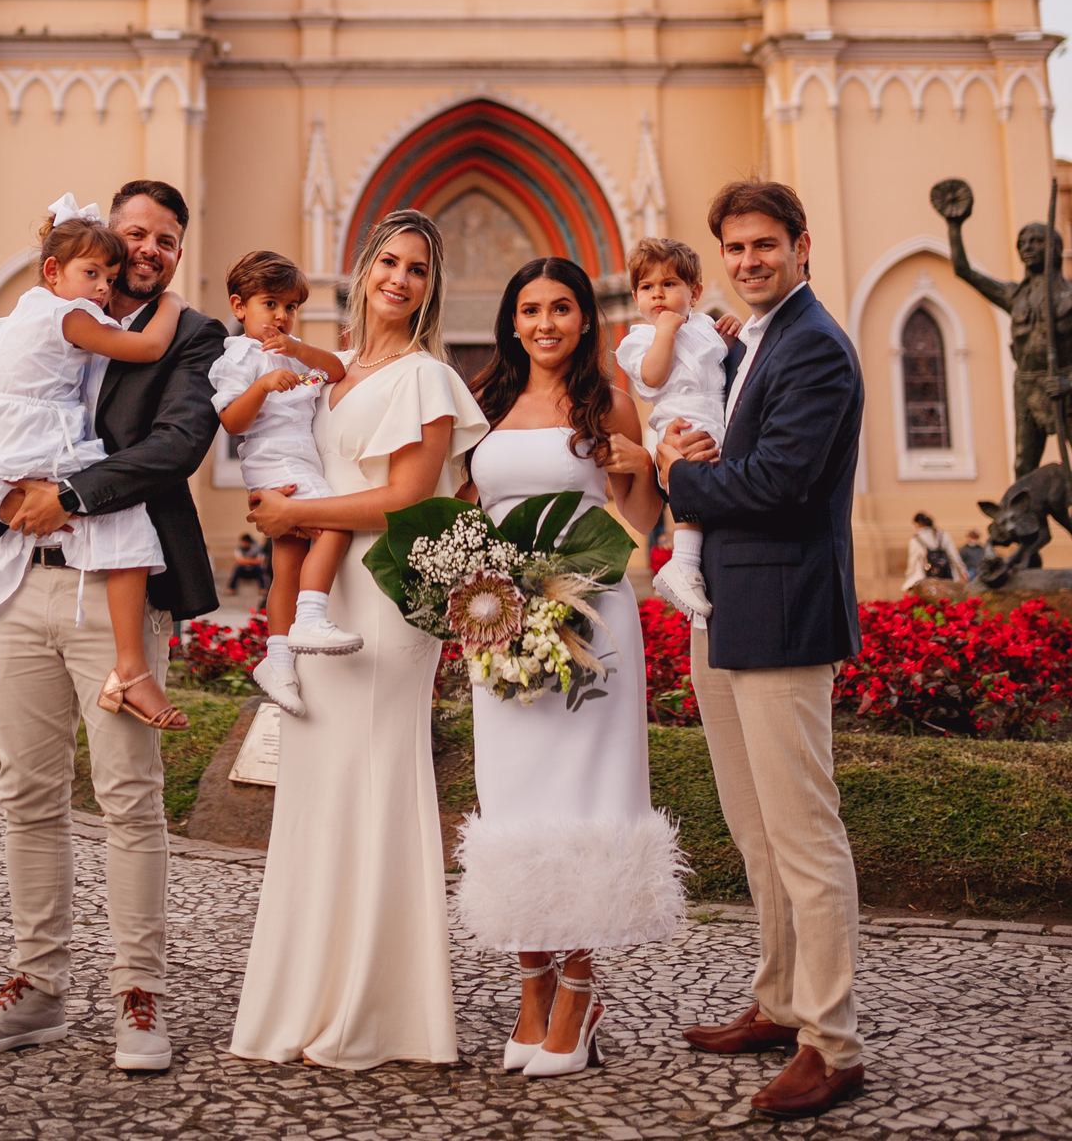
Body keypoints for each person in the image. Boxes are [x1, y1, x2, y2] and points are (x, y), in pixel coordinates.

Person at [0, 180, 226, 1074]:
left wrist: (65, 493)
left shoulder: (188, 334)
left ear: (178, 252)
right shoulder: (53, 309)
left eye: (166, 240)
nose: (148, 248)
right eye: (136, 231)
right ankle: (38, 988)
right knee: (28, 794)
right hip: (25, 586)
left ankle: (140, 995)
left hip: (116, 595)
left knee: (131, 797)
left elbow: (177, 444)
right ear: (108, 234)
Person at [231, 210, 488, 1070]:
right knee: (316, 787)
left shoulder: (424, 378)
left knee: (374, 780)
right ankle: (304, 996)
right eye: (389, 260)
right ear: (363, 268)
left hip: (380, 601)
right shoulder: (334, 373)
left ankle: (378, 1010)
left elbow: (413, 502)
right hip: (317, 592)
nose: (400, 278)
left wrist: (297, 511)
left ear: (430, 288)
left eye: (418, 268)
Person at [656, 178, 866, 1120]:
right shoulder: (752, 343)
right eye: (734, 249)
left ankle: (833, 1041)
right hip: (728, 611)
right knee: (757, 831)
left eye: (764, 246)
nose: (747, 262)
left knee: (805, 835)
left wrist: (679, 477)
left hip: (783, 612)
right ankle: (780, 1002)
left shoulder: (816, 348)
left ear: (801, 245)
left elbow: (779, 484)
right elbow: (740, 456)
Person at [458, 257, 686, 1078]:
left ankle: (580, 994)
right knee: (513, 805)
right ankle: (531, 991)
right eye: (530, 309)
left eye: (561, 308)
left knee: (584, 803)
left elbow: (638, 523)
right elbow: (465, 518)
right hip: (502, 626)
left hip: (591, 620)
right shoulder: (480, 404)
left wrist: (643, 473)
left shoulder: (609, 402)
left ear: (586, 319)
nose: (545, 322)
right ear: (511, 322)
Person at [0, 194, 188, 730]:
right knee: (127, 518)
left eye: (108, 276)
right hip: (38, 444)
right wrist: (171, 304)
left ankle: (126, 667)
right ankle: (131, 670)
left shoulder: (22, 313)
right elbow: (148, 348)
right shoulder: (73, 315)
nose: (103, 287)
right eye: (93, 273)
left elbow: (176, 444)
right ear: (54, 271)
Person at [209, 250, 352, 718]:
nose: (282, 315)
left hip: (298, 467)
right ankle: (310, 619)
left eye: (291, 307)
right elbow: (231, 421)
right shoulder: (240, 358)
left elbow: (336, 372)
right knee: (336, 526)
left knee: (287, 565)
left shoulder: (292, 354)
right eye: (270, 303)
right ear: (239, 306)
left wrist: (298, 350)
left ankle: (277, 659)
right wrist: (263, 386)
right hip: (275, 466)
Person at [615, 236, 735, 621]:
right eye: (648, 288)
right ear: (636, 297)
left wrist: (728, 341)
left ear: (695, 292)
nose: (659, 296)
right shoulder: (643, 338)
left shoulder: (703, 327)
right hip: (680, 420)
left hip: (715, 416)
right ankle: (681, 565)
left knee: (715, 491)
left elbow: (718, 368)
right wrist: (665, 330)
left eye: (669, 285)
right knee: (690, 483)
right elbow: (651, 378)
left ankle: (693, 568)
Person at [903, 512, 968, 593]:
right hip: (947, 577)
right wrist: (962, 571)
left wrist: (908, 580)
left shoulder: (915, 540)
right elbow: (954, 555)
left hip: (926, 580)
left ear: (919, 523)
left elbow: (912, 563)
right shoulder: (943, 535)